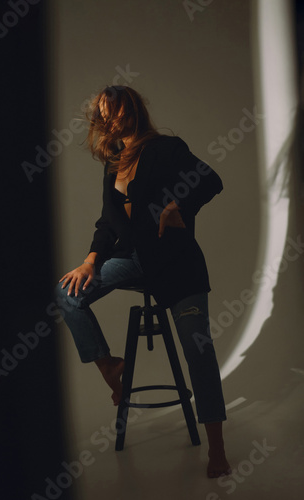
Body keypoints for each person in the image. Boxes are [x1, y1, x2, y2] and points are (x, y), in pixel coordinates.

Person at [55, 85, 231, 478]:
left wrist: (178, 205)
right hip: (133, 260)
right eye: (102, 113)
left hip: (177, 264)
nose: (107, 119)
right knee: (66, 294)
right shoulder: (113, 162)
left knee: (197, 351)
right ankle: (112, 369)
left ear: (130, 109)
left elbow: (210, 179)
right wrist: (89, 262)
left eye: (112, 110)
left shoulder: (166, 148)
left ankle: (217, 448)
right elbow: (107, 222)